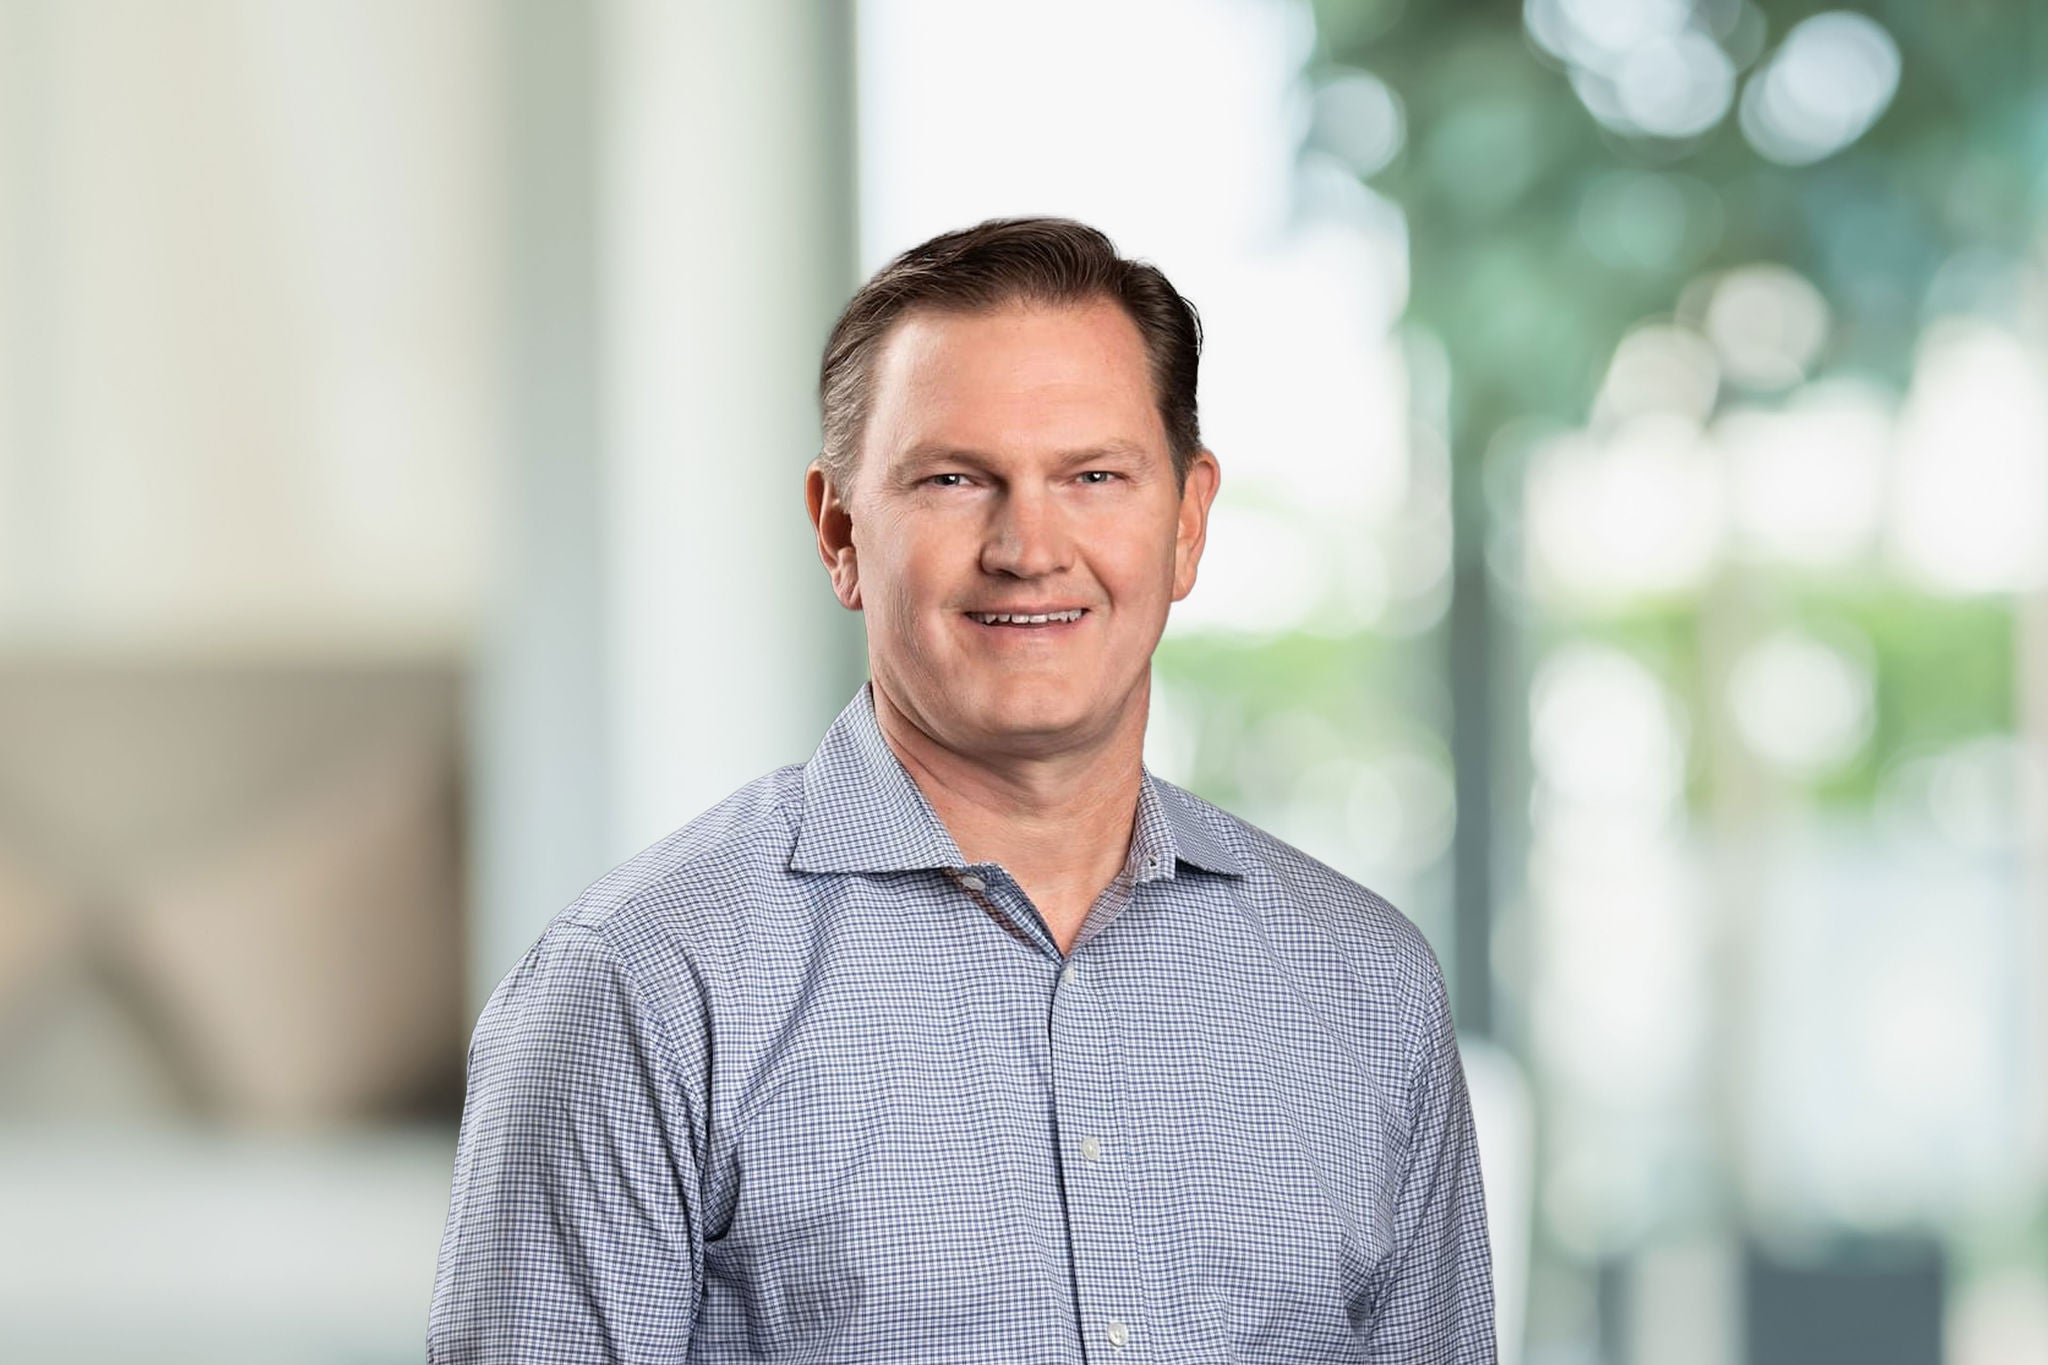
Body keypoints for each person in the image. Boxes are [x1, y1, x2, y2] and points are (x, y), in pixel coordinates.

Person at [428, 216, 1495, 1363]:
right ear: (839, 533)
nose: (1027, 547)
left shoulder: (1363, 987)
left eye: (1092, 476)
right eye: (952, 479)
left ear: (1186, 522)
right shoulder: (640, 986)